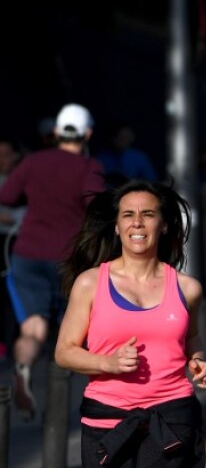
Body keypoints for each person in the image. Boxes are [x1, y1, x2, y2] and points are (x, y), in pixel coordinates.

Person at [55, 179, 206, 467]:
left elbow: (192, 339)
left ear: (164, 225)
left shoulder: (188, 288)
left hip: (172, 418)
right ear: (117, 227)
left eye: (149, 214)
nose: (138, 223)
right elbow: (64, 351)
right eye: (128, 215)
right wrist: (109, 363)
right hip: (108, 421)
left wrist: (198, 362)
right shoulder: (90, 283)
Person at [0, 103, 105, 420]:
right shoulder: (89, 168)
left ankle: (23, 368)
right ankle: (58, 414)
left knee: (33, 327)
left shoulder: (33, 162)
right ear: (87, 134)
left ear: (56, 132)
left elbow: (6, 196)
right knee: (70, 335)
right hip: (68, 260)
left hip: (27, 253)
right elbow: (98, 207)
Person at [0, 136, 28, 359]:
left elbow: (32, 212)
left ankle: (10, 346)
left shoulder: (23, 181)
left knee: (13, 298)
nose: (4, 159)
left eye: (8, 154)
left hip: (15, 246)